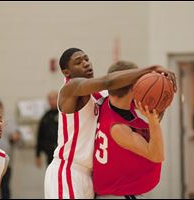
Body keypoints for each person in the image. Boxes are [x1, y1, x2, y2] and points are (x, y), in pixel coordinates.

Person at [44, 47, 176, 199]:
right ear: (67, 72)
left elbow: (124, 91)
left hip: (89, 177)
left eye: (86, 59)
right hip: (68, 169)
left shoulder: (102, 95)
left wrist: (161, 101)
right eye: (78, 62)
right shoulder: (70, 89)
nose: (86, 64)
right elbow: (108, 81)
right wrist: (152, 69)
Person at [93, 61, 166, 199]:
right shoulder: (118, 128)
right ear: (134, 87)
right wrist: (153, 123)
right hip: (117, 194)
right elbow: (157, 155)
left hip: (120, 191)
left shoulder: (108, 101)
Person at [0, 97, 21, 199]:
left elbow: (18, 136)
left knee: (5, 188)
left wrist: (15, 136)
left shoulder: (8, 122)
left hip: (5, 162)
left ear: (1, 109)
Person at [35, 91, 59, 168]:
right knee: (51, 175)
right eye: (50, 99)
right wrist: (37, 154)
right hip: (50, 152)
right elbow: (39, 136)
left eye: (53, 99)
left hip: (63, 152)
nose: (51, 101)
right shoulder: (45, 117)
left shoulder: (64, 114)